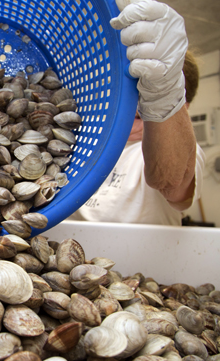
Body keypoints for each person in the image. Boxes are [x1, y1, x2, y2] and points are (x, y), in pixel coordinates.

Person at [69, 0, 205, 225]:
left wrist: (163, 96)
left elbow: (172, 181)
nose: (139, 101)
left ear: (185, 108)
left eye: (150, 89)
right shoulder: (86, 141)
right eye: (134, 85)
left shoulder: (184, 152)